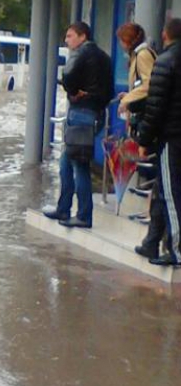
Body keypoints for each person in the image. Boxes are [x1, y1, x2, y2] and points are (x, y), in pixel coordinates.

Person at [43, 21, 114, 229]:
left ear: (83, 36)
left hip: (81, 113)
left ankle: (83, 215)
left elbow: (67, 76)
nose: (66, 40)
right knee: (66, 162)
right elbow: (108, 92)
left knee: (79, 165)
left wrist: (74, 92)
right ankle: (64, 207)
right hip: (96, 113)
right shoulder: (105, 57)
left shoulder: (81, 53)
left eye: (69, 36)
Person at [115, 22, 164, 260]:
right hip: (146, 116)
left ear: (129, 40)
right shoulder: (140, 54)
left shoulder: (143, 55)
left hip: (150, 121)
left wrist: (128, 100)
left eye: (122, 40)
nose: (121, 45)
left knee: (157, 170)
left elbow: (148, 84)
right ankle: (151, 217)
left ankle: (153, 221)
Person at [135, 17, 181, 267]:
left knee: (171, 193)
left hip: (171, 139)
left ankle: (175, 250)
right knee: (162, 191)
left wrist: (144, 138)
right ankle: (152, 241)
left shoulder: (165, 62)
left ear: (165, 35)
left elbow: (155, 106)